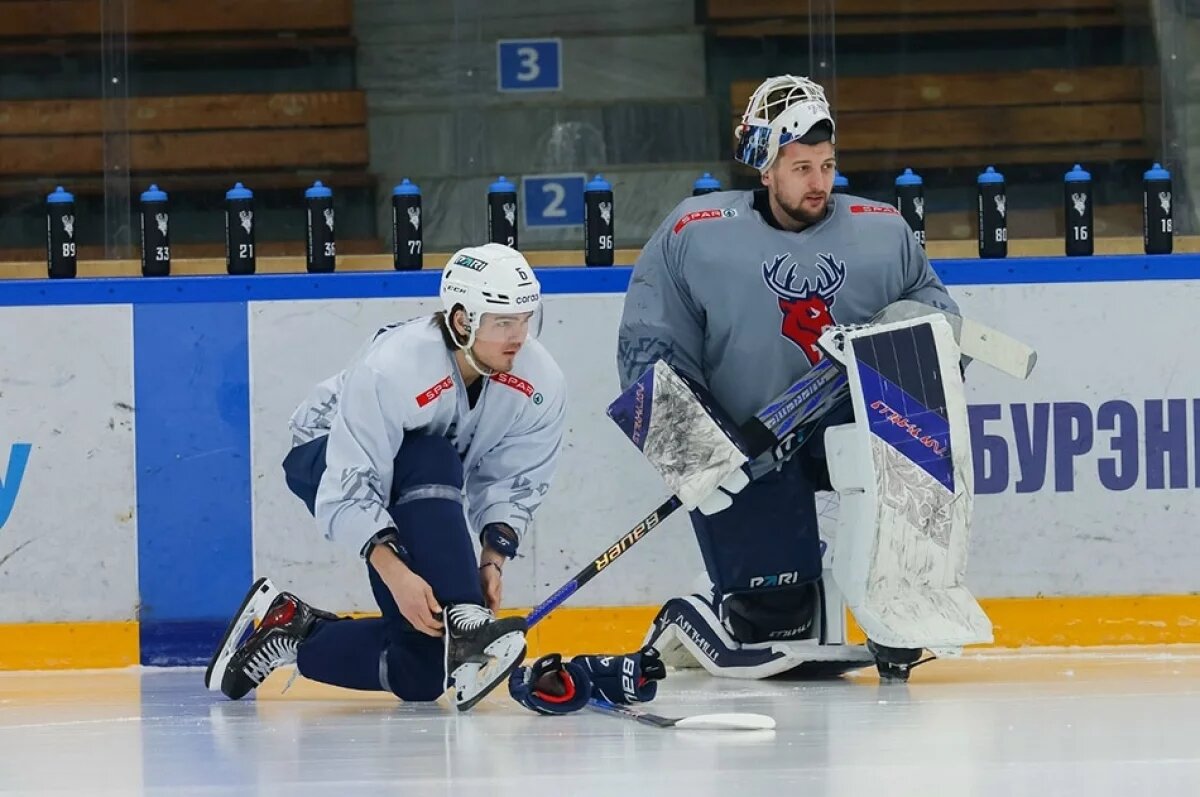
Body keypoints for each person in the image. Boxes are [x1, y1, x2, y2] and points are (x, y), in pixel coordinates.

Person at [617, 75, 960, 679]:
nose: (819, 183)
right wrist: (691, 453)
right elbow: (647, 349)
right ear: (765, 168)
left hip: (852, 430)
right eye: (801, 167)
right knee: (776, 622)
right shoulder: (692, 234)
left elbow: (944, 337)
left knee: (914, 424)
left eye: (827, 165)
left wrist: (922, 327)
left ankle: (897, 595)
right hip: (748, 447)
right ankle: (698, 607)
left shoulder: (883, 233)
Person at [206, 243, 567, 710]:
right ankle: (469, 623)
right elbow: (350, 483)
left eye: (525, 318)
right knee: (432, 453)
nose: (518, 336)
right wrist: (396, 572)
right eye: (502, 322)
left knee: (421, 673)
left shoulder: (541, 381)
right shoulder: (393, 367)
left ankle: (293, 631)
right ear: (462, 321)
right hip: (327, 456)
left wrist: (491, 559)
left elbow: (514, 476)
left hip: (423, 490)